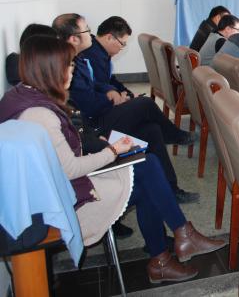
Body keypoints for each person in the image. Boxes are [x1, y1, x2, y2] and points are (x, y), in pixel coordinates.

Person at [0, 36, 226, 284]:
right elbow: (70, 169)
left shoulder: (24, 97)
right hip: (71, 203)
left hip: (64, 190)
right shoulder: (40, 115)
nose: (72, 72)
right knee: (149, 172)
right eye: (69, 66)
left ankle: (172, 247)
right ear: (51, 69)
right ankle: (176, 243)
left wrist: (103, 146)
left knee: (148, 166)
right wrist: (112, 151)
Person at [52, 13, 198, 204]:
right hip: (92, 128)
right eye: (86, 30)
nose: (91, 34)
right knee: (145, 105)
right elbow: (87, 103)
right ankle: (173, 135)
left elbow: (96, 85)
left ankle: (171, 190)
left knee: (152, 130)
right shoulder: (66, 64)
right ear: (73, 39)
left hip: (96, 117)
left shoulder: (77, 59)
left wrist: (111, 91)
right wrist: (114, 100)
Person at [81, 16, 134, 99]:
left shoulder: (99, 50)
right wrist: (120, 96)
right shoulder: (93, 56)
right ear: (109, 38)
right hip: (99, 103)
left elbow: (110, 80)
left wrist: (128, 94)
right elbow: (99, 88)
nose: (122, 48)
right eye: (122, 44)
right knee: (146, 102)